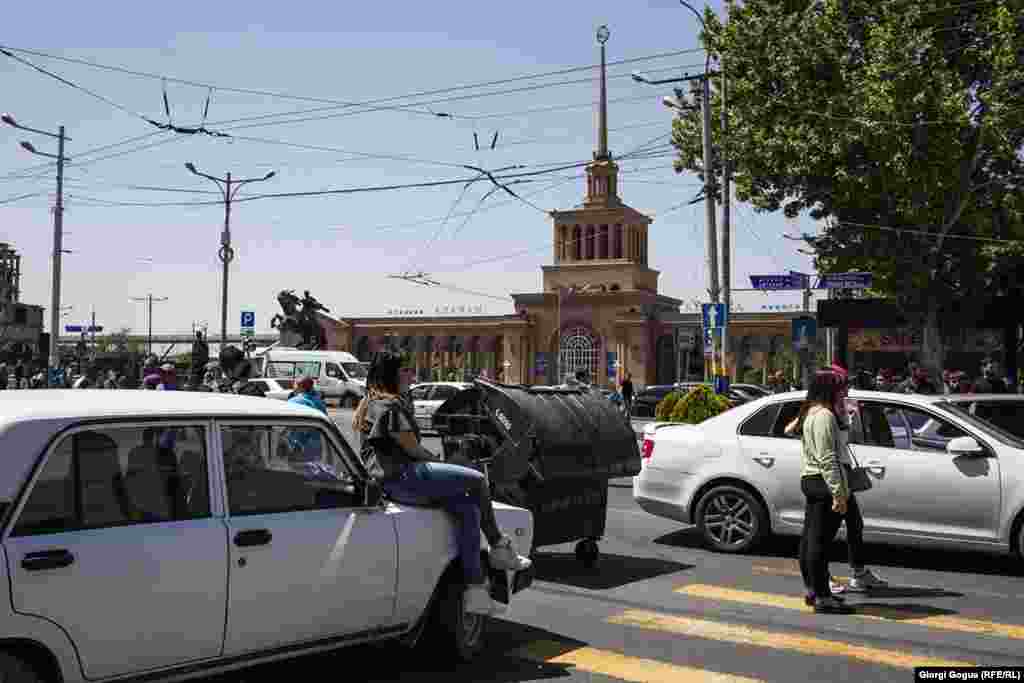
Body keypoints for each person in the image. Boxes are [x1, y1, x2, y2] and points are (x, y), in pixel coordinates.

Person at [353, 351, 531, 615]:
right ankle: (499, 547)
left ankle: (475, 589)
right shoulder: (388, 407)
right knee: (477, 480)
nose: (411, 376)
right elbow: (414, 450)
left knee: (467, 509)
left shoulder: (372, 402)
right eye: (405, 371)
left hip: (394, 480)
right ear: (391, 375)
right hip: (401, 476)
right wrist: (444, 465)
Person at [786, 370, 854, 614]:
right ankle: (823, 596)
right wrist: (838, 493)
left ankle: (813, 590)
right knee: (819, 543)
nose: (843, 393)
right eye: (840, 388)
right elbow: (827, 458)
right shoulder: (824, 415)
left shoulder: (811, 412)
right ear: (829, 390)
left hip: (812, 479)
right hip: (823, 482)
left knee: (811, 539)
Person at [822, 365, 887, 596]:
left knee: (854, 524)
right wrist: (836, 489)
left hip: (843, 471)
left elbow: (851, 438)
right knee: (824, 531)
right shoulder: (821, 412)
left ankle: (859, 572)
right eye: (843, 384)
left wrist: (849, 418)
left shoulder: (843, 408)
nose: (847, 388)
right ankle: (822, 576)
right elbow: (824, 452)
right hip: (828, 476)